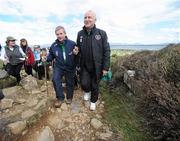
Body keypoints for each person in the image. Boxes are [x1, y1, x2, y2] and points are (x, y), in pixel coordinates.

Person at [76, 10, 110, 110]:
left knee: (95, 85)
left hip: (97, 66)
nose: (87, 19)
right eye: (85, 17)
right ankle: (87, 91)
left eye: (89, 17)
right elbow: (78, 47)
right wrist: (76, 50)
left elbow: (106, 51)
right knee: (84, 83)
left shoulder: (102, 33)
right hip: (84, 65)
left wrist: (105, 67)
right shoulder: (80, 33)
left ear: (95, 20)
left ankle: (93, 101)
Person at [44, 26, 78, 108]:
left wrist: (76, 54)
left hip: (70, 66)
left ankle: (69, 97)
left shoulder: (72, 43)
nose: (59, 36)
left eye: (61, 33)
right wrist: (46, 58)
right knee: (55, 79)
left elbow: (78, 55)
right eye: (57, 34)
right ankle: (60, 98)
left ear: (65, 34)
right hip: (59, 66)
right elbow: (50, 56)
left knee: (70, 82)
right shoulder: (54, 45)